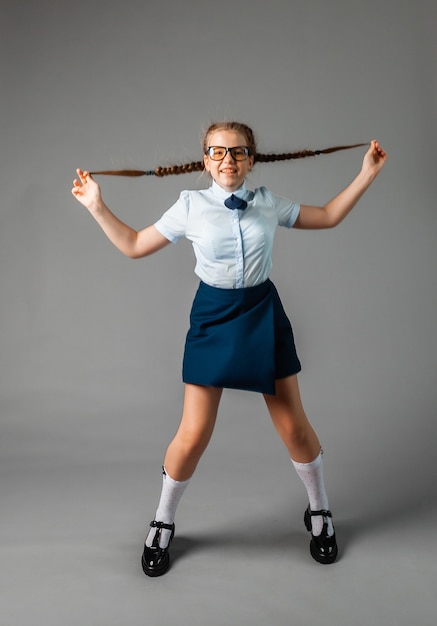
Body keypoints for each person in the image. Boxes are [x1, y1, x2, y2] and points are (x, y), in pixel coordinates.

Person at [72, 121, 387, 576]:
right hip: (213, 318)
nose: (227, 161)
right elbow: (136, 245)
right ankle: (163, 520)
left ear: (251, 159)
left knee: (295, 429)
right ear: (205, 159)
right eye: (217, 152)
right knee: (193, 433)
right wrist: (97, 206)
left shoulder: (267, 203)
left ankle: (319, 511)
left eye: (237, 152)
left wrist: (366, 174)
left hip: (263, 313)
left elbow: (329, 215)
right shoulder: (189, 206)